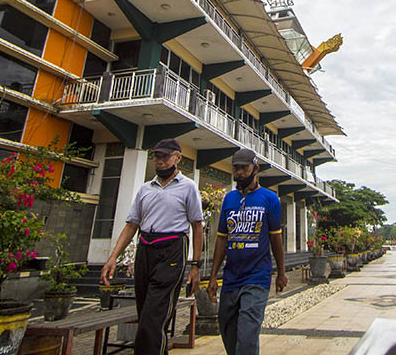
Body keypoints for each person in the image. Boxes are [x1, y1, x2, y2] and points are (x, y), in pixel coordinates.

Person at [101, 138, 204, 355]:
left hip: (173, 251)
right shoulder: (145, 189)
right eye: (157, 157)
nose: (160, 161)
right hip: (145, 249)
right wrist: (112, 258)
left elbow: (197, 226)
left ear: (178, 158)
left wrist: (195, 265)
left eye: (165, 157)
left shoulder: (188, 187)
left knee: (152, 318)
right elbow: (131, 226)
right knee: (146, 314)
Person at [207, 148, 288, 355]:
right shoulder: (229, 199)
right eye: (236, 168)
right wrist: (214, 276)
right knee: (227, 329)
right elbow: (222, 239)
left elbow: (275, 237)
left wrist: (281, 272)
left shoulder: (270, 199)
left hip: (257, 277)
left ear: (256, 169)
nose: (240, 173)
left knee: (247, 334)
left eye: (244, 168)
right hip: (231, 277)